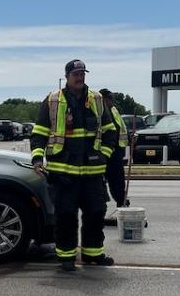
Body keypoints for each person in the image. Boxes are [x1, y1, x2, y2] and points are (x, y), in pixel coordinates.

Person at [31, 60, 120, 272]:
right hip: (63, 173)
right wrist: (36, 159)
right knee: (66, 216)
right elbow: (40, 133)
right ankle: (66, 257)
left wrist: (104, 156)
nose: (80, 78)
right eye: (76, 74)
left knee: (96, 213)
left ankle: (93, 254)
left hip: (92, 173)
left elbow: (110, 132)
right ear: (67, 76)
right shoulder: (53, 100)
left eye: (82, 74)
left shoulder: (97, 99)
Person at [99, 88, 130, 225]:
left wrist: (130, 137)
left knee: (118, 183)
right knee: (101, 186)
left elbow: (121, 129)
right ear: (103, 99)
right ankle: (98, 214)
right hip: (105, 155)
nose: (112, 101)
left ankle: (123, 209)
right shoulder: (99, 113)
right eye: (110, 98)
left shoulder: (114, 111)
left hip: (116, 154)